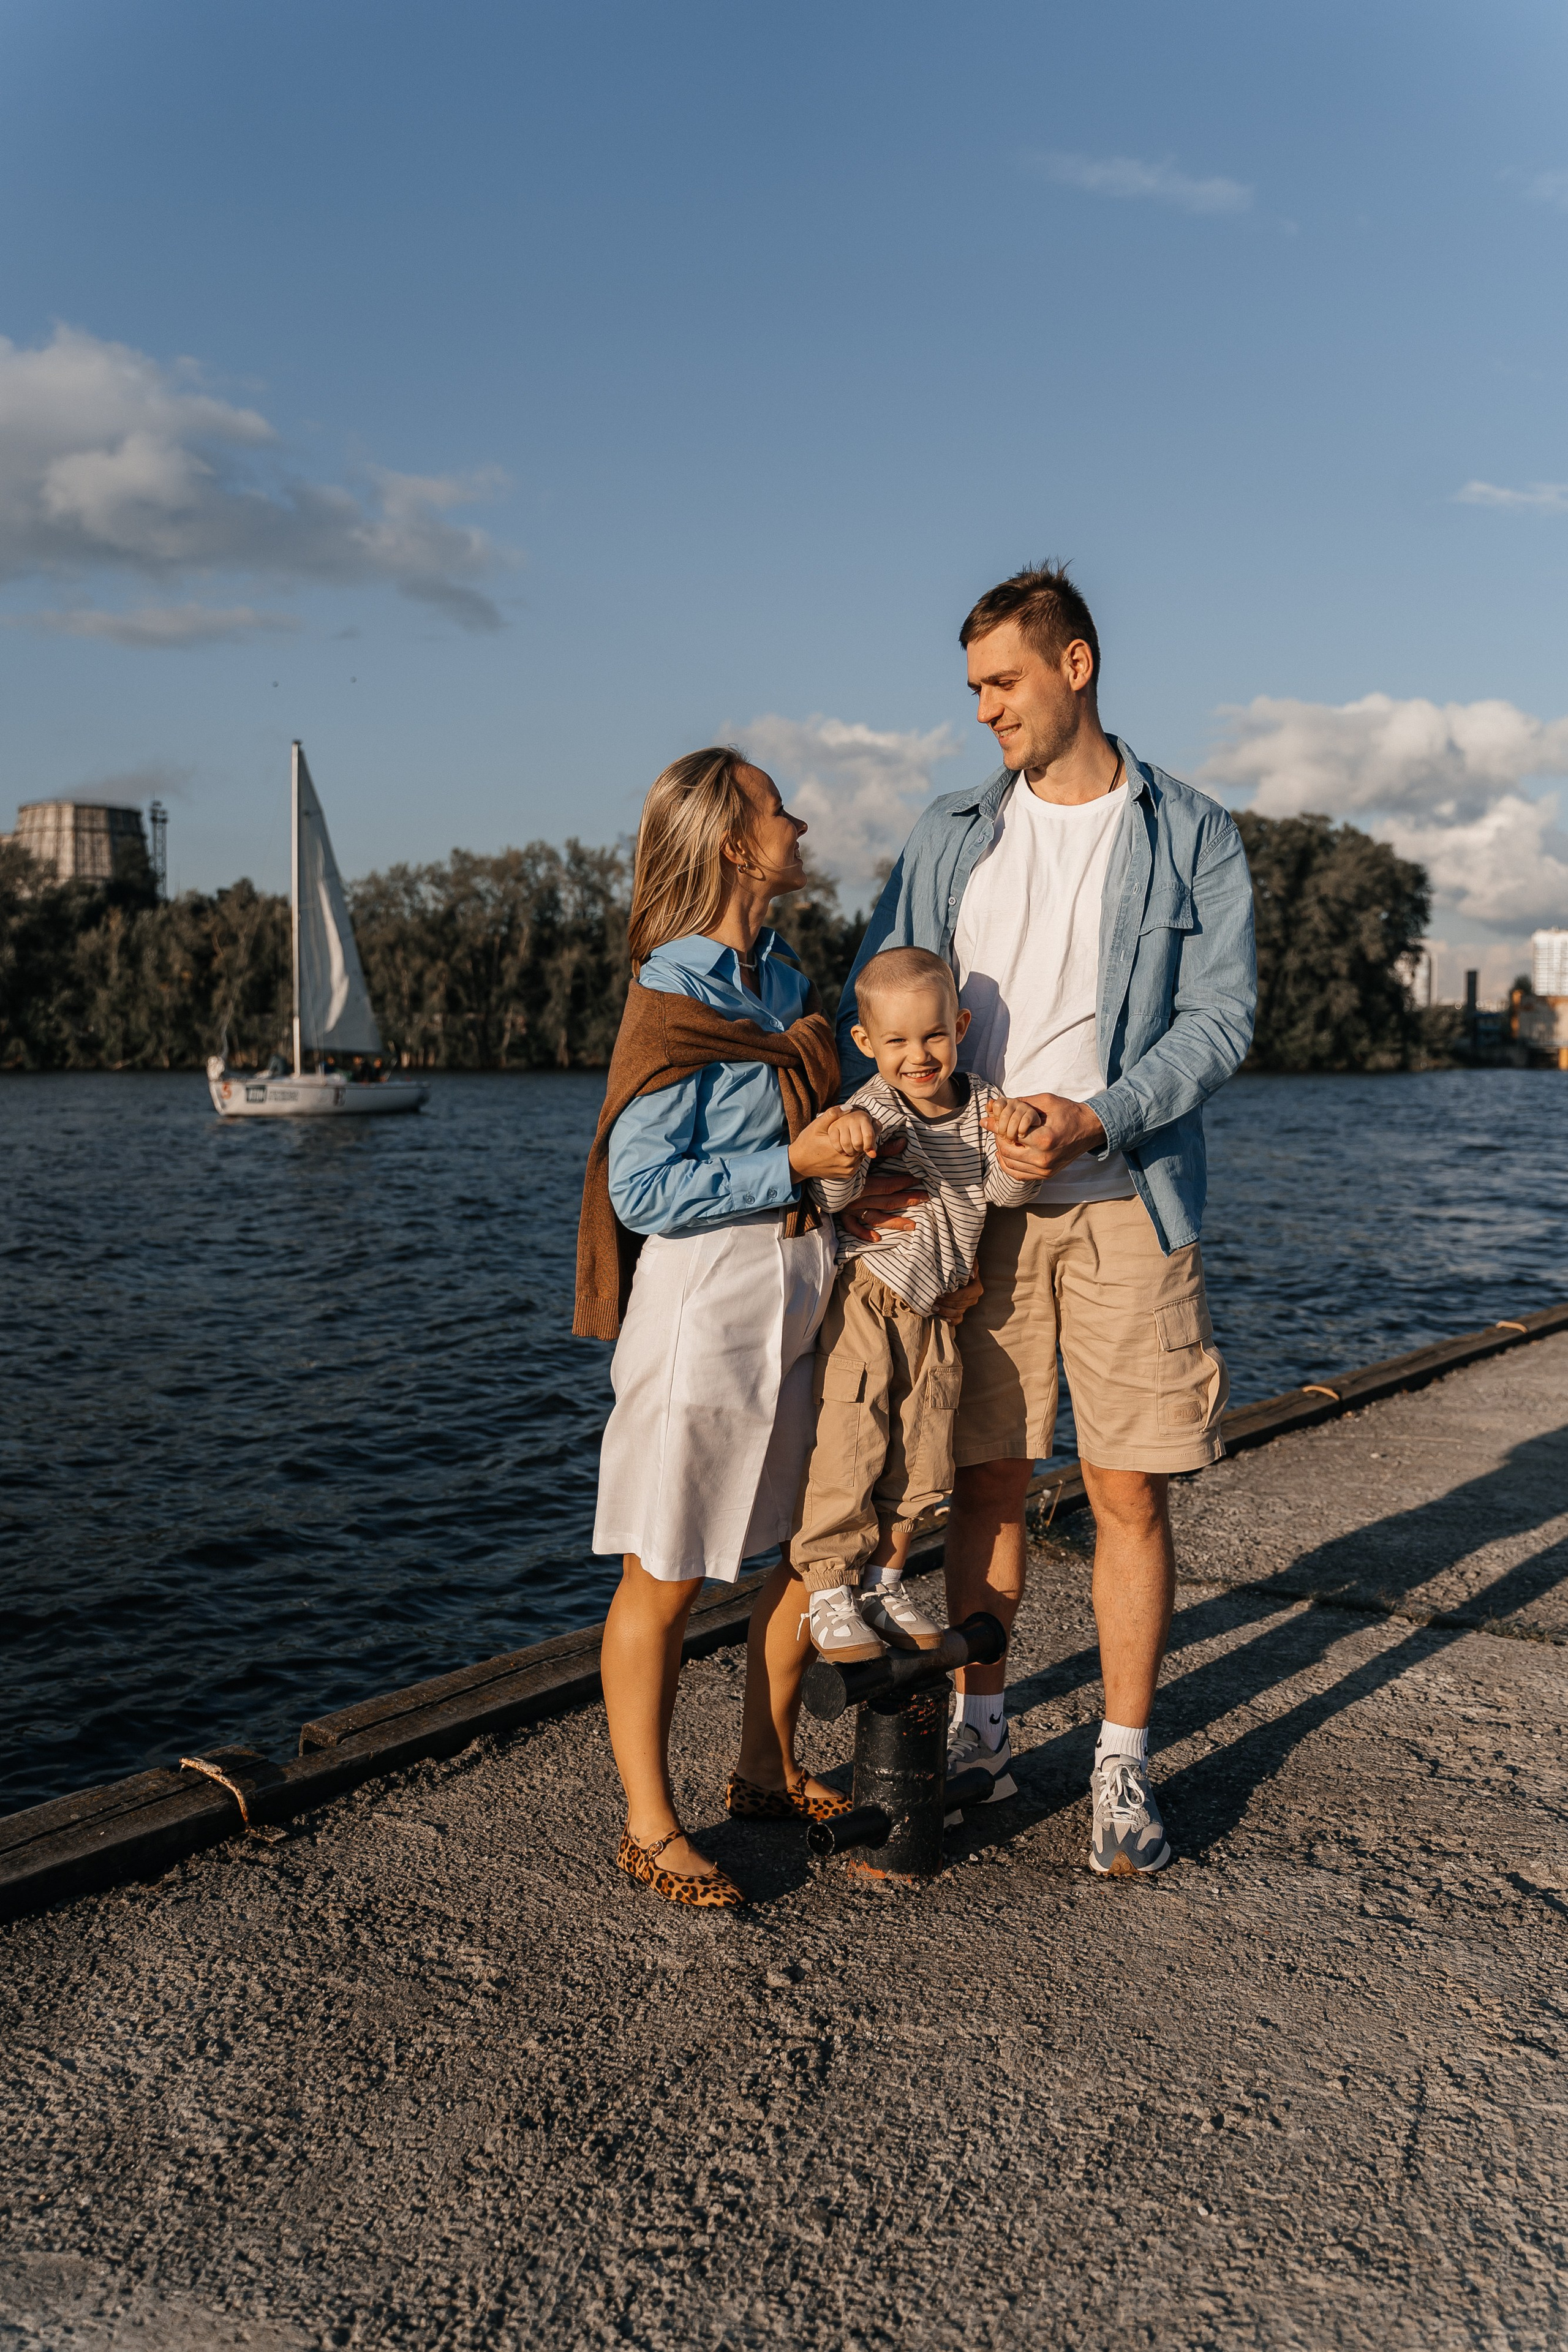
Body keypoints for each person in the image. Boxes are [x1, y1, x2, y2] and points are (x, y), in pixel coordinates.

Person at [836, 563, 1256, 1875]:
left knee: (1126, 1490)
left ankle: (1122, 1768)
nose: (982, 711)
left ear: (1074, 666)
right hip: (976, 1211)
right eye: (970, 688)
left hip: (1125, 1193)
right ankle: (981, 1731)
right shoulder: (949, 834)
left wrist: (1097, 1114)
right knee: (986, 1482)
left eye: (1000, 683)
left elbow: (1222, 1019)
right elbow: (883, 1010)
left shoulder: (1190, 832)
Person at [574, 745, 863, 1909]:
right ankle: (649, 1824)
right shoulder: (673, 994)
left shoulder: (784, 985)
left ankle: (764, 1767)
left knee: (803, 1542)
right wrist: (789, 1158)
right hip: (705, 1304)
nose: (798, 820)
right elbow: (641, 1191)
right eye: (776, 808)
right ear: (737, 845)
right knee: (670, 1569)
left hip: (802, 1284)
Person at [790, 946, 1041, 1663]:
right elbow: (834, 1200)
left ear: (960, 1026)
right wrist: (846, 1150)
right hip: (872, 1293)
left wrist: (1017, 1149)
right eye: (895, 1041)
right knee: (853, 1435)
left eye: (933, 1035)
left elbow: (1002, 1192)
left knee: (925, 1446)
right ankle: (830, 1589)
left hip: (936, 1309)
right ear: (865, 1044)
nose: (918, 1055)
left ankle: (884, 1581)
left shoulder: (987, 1103)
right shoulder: (871, 1107)